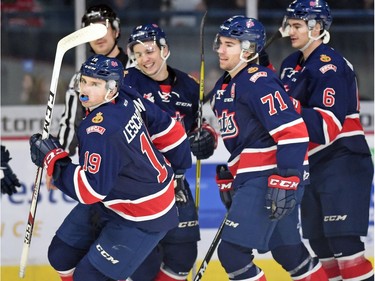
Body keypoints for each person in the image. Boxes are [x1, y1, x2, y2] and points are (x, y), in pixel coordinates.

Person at [29, 54, 193, 281]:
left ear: (112, 88)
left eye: (94, 84)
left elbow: (89, 190)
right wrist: (179, 171)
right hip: (116, 198)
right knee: (61, 255)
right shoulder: (126, 96)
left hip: (142, 215)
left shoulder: (100, 130)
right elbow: (171, 130)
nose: (85, 89)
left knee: (90, 277)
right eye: (84, 81)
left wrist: (53, 160)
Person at [209, 15, 329, 280]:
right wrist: (234, 175)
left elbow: (294, 132)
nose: (220, 49)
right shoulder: (224, 86)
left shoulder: (259, 80)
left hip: (270, 178)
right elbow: (247, 139)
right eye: (220, 42)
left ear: (249, 49)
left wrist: (286, 179)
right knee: (288, 252)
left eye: (229, 44)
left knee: (232, 254)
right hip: (256, 177)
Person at [279, 1, 374, 280]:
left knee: (345, 246)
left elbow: (326, 126)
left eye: (297, 25)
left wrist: (284, 106)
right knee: (321, 247)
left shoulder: (329, 64)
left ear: (317, 27)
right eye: (290, 25)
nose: (290, 31)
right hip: (311, 163)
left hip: (342, 159)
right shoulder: (288, 65)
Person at [124, 23, 218, 281]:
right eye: (138, 54)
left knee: (183, 255)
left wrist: (206, 138)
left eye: (149, 51)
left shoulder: (188, 85)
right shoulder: (126, 83)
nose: (144, 59)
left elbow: (202, 125)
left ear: (165, 49)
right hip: (139, 185)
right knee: (143, 260)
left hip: (175, 183)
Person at [58, 3, 134, 155]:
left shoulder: (136, 69)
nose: (98, 36)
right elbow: (71, 124)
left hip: (135, 161)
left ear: (116, 31)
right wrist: (58, 160)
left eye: (103, 28)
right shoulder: (80, 78)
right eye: (91, 31)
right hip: (97, 162)